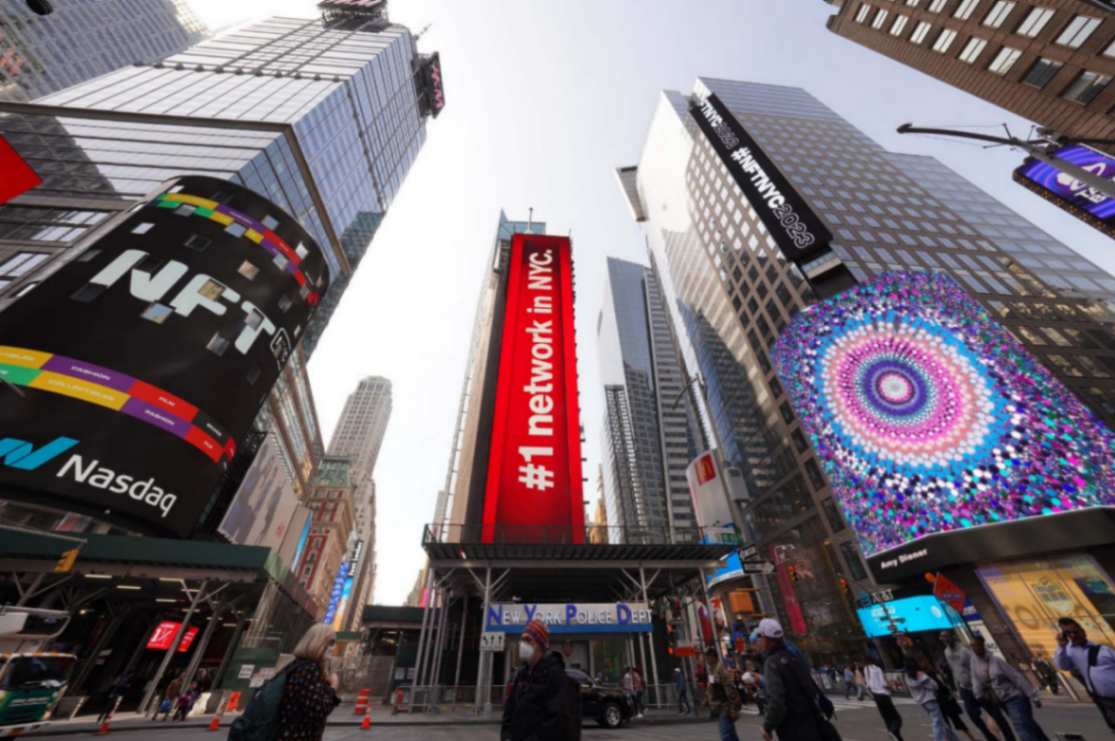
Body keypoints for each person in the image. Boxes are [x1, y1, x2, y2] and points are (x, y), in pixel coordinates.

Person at [752, 618, 839, 741]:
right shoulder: (794, 657)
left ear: (767, 638)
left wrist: (767, 727)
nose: (758, 641)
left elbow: (777, 702)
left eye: (759, 636)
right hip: (814, 722)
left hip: (794, 729)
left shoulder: (771, 663)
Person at [970, 636, 1049, 741]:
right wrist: (978, 695)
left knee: (1021, 727)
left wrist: (1033, 696)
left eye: (977, 645)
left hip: (1015, 697)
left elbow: (1016, 677)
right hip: (1000, 701)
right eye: (972, 646)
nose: (975, 648)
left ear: (982, 645)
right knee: (1028, 724)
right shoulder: (974, 663)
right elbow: (976, 680)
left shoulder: (996, 661)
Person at [941, 630, 1015, 741]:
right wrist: (956, 687)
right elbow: (954, 670)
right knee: (973, 716)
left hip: (980, 687)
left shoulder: (964, 650)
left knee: (996, 716)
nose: (944, 639)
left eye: (946, 636)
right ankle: (991, 738)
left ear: (952, 636)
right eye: (942, 637)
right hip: (965, 689)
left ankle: (1010, 738)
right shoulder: (946, 652)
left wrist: (983, 683)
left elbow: (978, 665)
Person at [501, 619, 568, 741]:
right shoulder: (521, 674)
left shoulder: (555, 674)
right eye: (522, 639)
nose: (523, 644)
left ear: (539, 645)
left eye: (528, 640)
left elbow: (554, 722)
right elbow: (509, 711)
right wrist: (506, 736)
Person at [276, 624, 340, 741]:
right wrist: (334, 685)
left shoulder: (297, 665)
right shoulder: (309, 669)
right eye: (331, 642)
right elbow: (320, 710)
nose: (333, 647)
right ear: (318, 642)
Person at [1054, 616, 1115, 732]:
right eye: (1068, 633)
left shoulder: (1102, 649)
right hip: (1105, 700)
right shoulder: (1069, 651)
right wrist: (1061, 646)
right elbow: (1062, 666)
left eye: (1075, 631)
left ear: (1082, 631)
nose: (1073, 635)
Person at [702, 648, 743, 741]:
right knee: (730, 734)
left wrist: (733, 707)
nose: (706, 660)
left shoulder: (720, 669)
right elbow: (711, 687)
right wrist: (706, 699)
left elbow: (729, 688)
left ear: (713, 657)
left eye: (707, 657)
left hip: (725, 706)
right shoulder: (713, 670)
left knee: (726, 735)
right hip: (719, 706)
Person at [864, 656, 903, 740]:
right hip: (883, 695)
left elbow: (868, 684)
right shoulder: (877, 669)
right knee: (897, 719)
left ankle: (893, 735)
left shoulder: (866, 669)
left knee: (887, 718)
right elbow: (883, 684)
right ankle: (893, 732)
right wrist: (893, 685)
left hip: (876, 696)